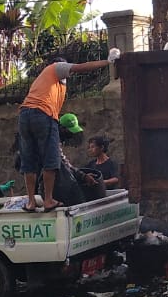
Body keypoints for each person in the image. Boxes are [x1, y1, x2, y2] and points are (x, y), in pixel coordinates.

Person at [17, 52, 118, 212]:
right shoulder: (56, 68)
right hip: (42, 115)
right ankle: (48, 200)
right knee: (51, 159)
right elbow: (82, 68)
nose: (69, 74)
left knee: (29, 162)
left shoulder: (45, 83)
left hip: (24, 116)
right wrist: (107, 62)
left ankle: (31, 202)